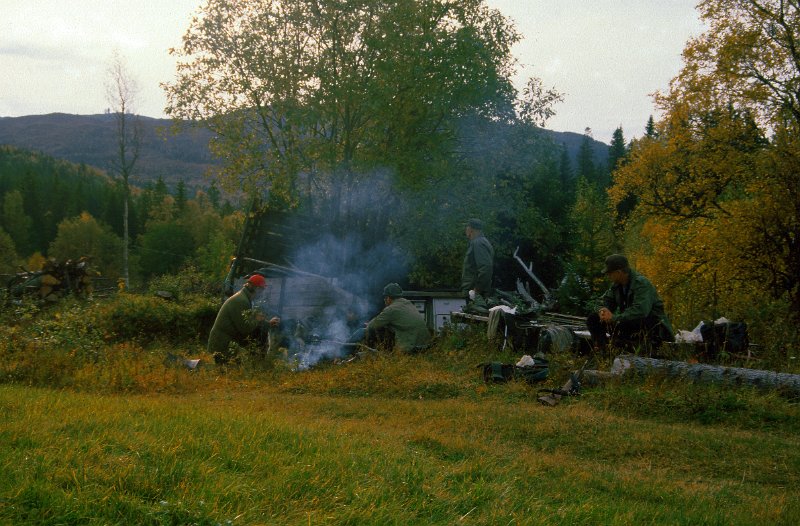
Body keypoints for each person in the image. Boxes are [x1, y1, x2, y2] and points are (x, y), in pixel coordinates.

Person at [586, 254, 674, 352]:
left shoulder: (641, 283)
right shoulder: (616, 286)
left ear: (618, 272)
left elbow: (640, 311)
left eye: (610, 273)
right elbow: (604, 300)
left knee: (633, 321)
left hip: (652, 328)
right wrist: (602, 310)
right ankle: (602, 350)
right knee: (593, 319)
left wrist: (614, 318)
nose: (608, 276)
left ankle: (627, 347)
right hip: (630, 324)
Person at [207, 274, 280, 364]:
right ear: (256, 289)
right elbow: (245, 328)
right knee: (233, 372)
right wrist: (258, 319)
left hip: (226, 343)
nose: (262, 293)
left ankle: (259, 363)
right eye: (261, 290)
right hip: (222, 345)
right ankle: (259, 364)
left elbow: (250, 321)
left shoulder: (244, 298)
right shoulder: (241, 301)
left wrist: (268, 323)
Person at [363, 283, 432, 353]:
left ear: (388, 298)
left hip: (410, 348)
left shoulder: (391, 309)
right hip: (425, 346)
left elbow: (372, 326)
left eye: (385, 298)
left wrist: (367, 327)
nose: (384, 300)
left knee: (364, 332)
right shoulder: (408, 303)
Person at [460, 218, 494, 304]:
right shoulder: (481, 241)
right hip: (476, 293)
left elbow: (485, 268)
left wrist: (477, 290)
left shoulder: (478, 243)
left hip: (476, 294)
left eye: (466, 227)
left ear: (471, 229)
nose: (465, 230)